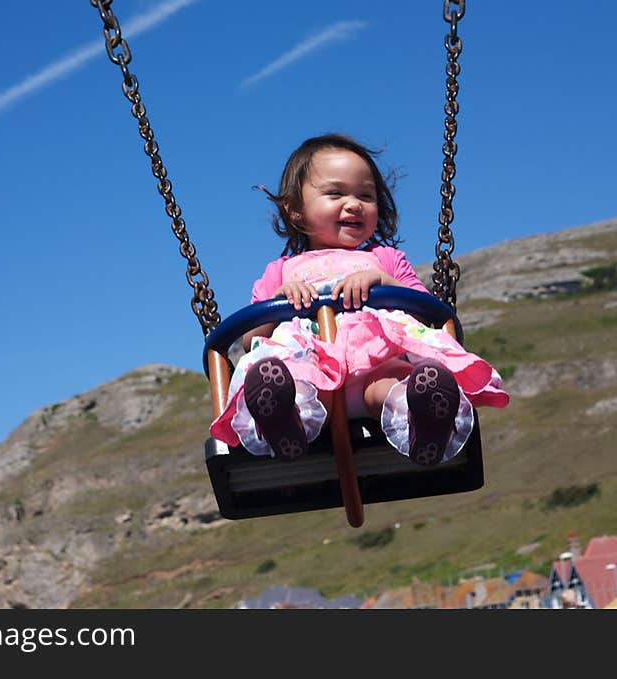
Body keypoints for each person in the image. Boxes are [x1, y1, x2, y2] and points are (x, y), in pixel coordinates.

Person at [209, 134, 509, 465]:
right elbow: (253, 339)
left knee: (394, 380)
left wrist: (384, 282)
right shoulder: (279, 272)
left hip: (375, 363)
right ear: (294, 209)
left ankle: (423, 419)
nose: (354, 204)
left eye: (365, 195)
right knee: (290, 377)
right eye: (336, 193)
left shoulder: (386, 260)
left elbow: (427, 315)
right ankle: (285, 421)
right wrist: (281, 299)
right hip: (313, 368)